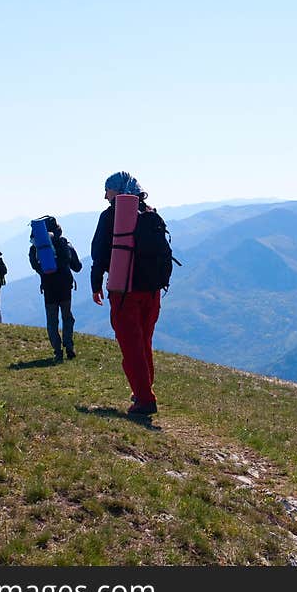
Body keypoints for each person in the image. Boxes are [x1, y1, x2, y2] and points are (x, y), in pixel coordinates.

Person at [91, 172, 161, 416]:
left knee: (131, 346)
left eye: (107, 189)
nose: (105, 195)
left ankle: (144, 400)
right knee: (144, 342)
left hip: (124, 291)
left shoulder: (111, 216)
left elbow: (99, 252)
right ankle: (143, 388)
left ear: (116, 191)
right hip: (152, 292)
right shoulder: (150, 213)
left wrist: (95, 284)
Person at [29, 218, 83, 362]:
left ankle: (57, 351)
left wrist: (44, 271)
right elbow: (77, 266)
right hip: (65, 285)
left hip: (48, 287)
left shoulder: (36, 247)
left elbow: (34, 264)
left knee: (52, 320)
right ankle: (69, 346)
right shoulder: (62, 242)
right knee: (67, 316)